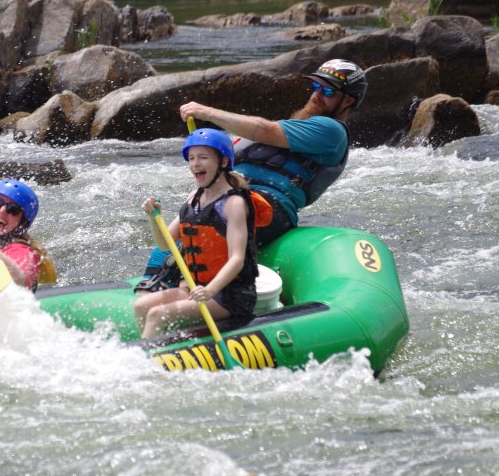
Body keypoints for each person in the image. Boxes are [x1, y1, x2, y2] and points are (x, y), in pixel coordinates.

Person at [179, 58, 368, 247]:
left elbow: (264, 130)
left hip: (268, 206)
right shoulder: (288, 129)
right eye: (315, 86)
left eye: (327, 91)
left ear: (348, 100)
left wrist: (208, 113)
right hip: (230, 196)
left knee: (207, 233)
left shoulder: (332, 131)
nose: (317, 95)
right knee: (175, 241)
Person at [133, 129, 270, 339]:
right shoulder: (193, 198)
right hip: (194, 288)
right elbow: (164, 244)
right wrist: (153, 217)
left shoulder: (233, 203)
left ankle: (147, 362)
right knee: (142, 306)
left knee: (157, 314)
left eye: (203, 157)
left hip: (229, 295)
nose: (195, 164)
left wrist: (211, 290)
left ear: (223, 162)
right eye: (191, 158)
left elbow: (237, 259)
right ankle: (161, 346)